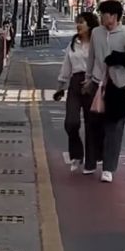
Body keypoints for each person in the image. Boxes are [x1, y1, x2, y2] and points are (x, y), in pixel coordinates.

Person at [84, 0, 125, 183]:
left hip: (117, 88)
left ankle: (109, 168)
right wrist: (88, 79)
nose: (101, 17)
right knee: (94, 125)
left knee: (114, 128)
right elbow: (91, 58)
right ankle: (92, 160)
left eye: (104, 14)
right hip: (96, 83)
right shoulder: (96, 33)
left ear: (114, 16)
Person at [53, 11, 100, 174]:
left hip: (92, 83)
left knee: (91, 124)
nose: (78, 25)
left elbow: (101, 64)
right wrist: (60, 86)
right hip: (75, 83)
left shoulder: (96, 43)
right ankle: (77, 154)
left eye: (82, 22)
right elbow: (66, 65)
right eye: (77, 22)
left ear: (90, 25)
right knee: (71, 122)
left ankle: (91, 162)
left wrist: (94, 80)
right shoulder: (73, 43)